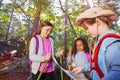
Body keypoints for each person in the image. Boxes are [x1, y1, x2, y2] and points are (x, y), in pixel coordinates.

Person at [72, 7, 120, 80]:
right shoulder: (101, 41)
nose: (87, 32)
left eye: (87, 28)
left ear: (97, 22)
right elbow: (100, 63)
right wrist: (83, 68)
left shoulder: (111, 43)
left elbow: (117, 72)